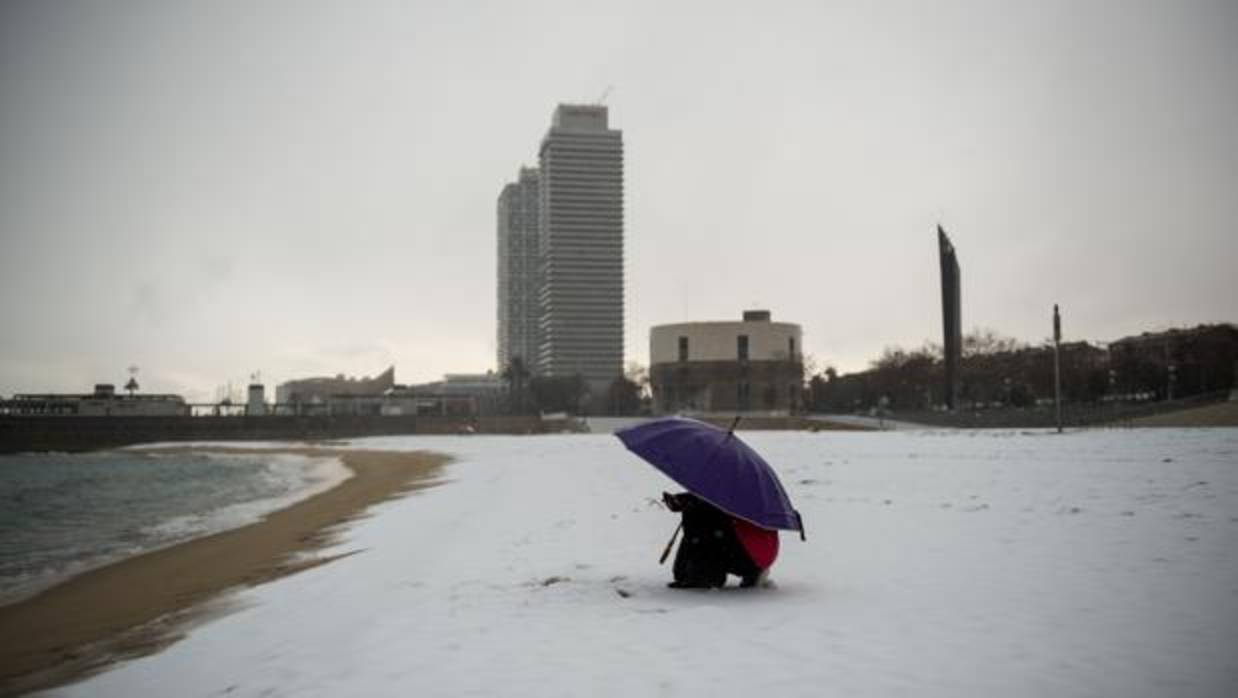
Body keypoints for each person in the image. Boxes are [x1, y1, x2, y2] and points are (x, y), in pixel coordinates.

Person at [662, 491, 775, 589]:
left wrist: (686, 502)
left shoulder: (730, 499)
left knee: (706, 528)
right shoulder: (719, 495)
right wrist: (683, 501)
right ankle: (698, 574)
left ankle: (705, 575)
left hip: (747, 552)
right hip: (742, 549)